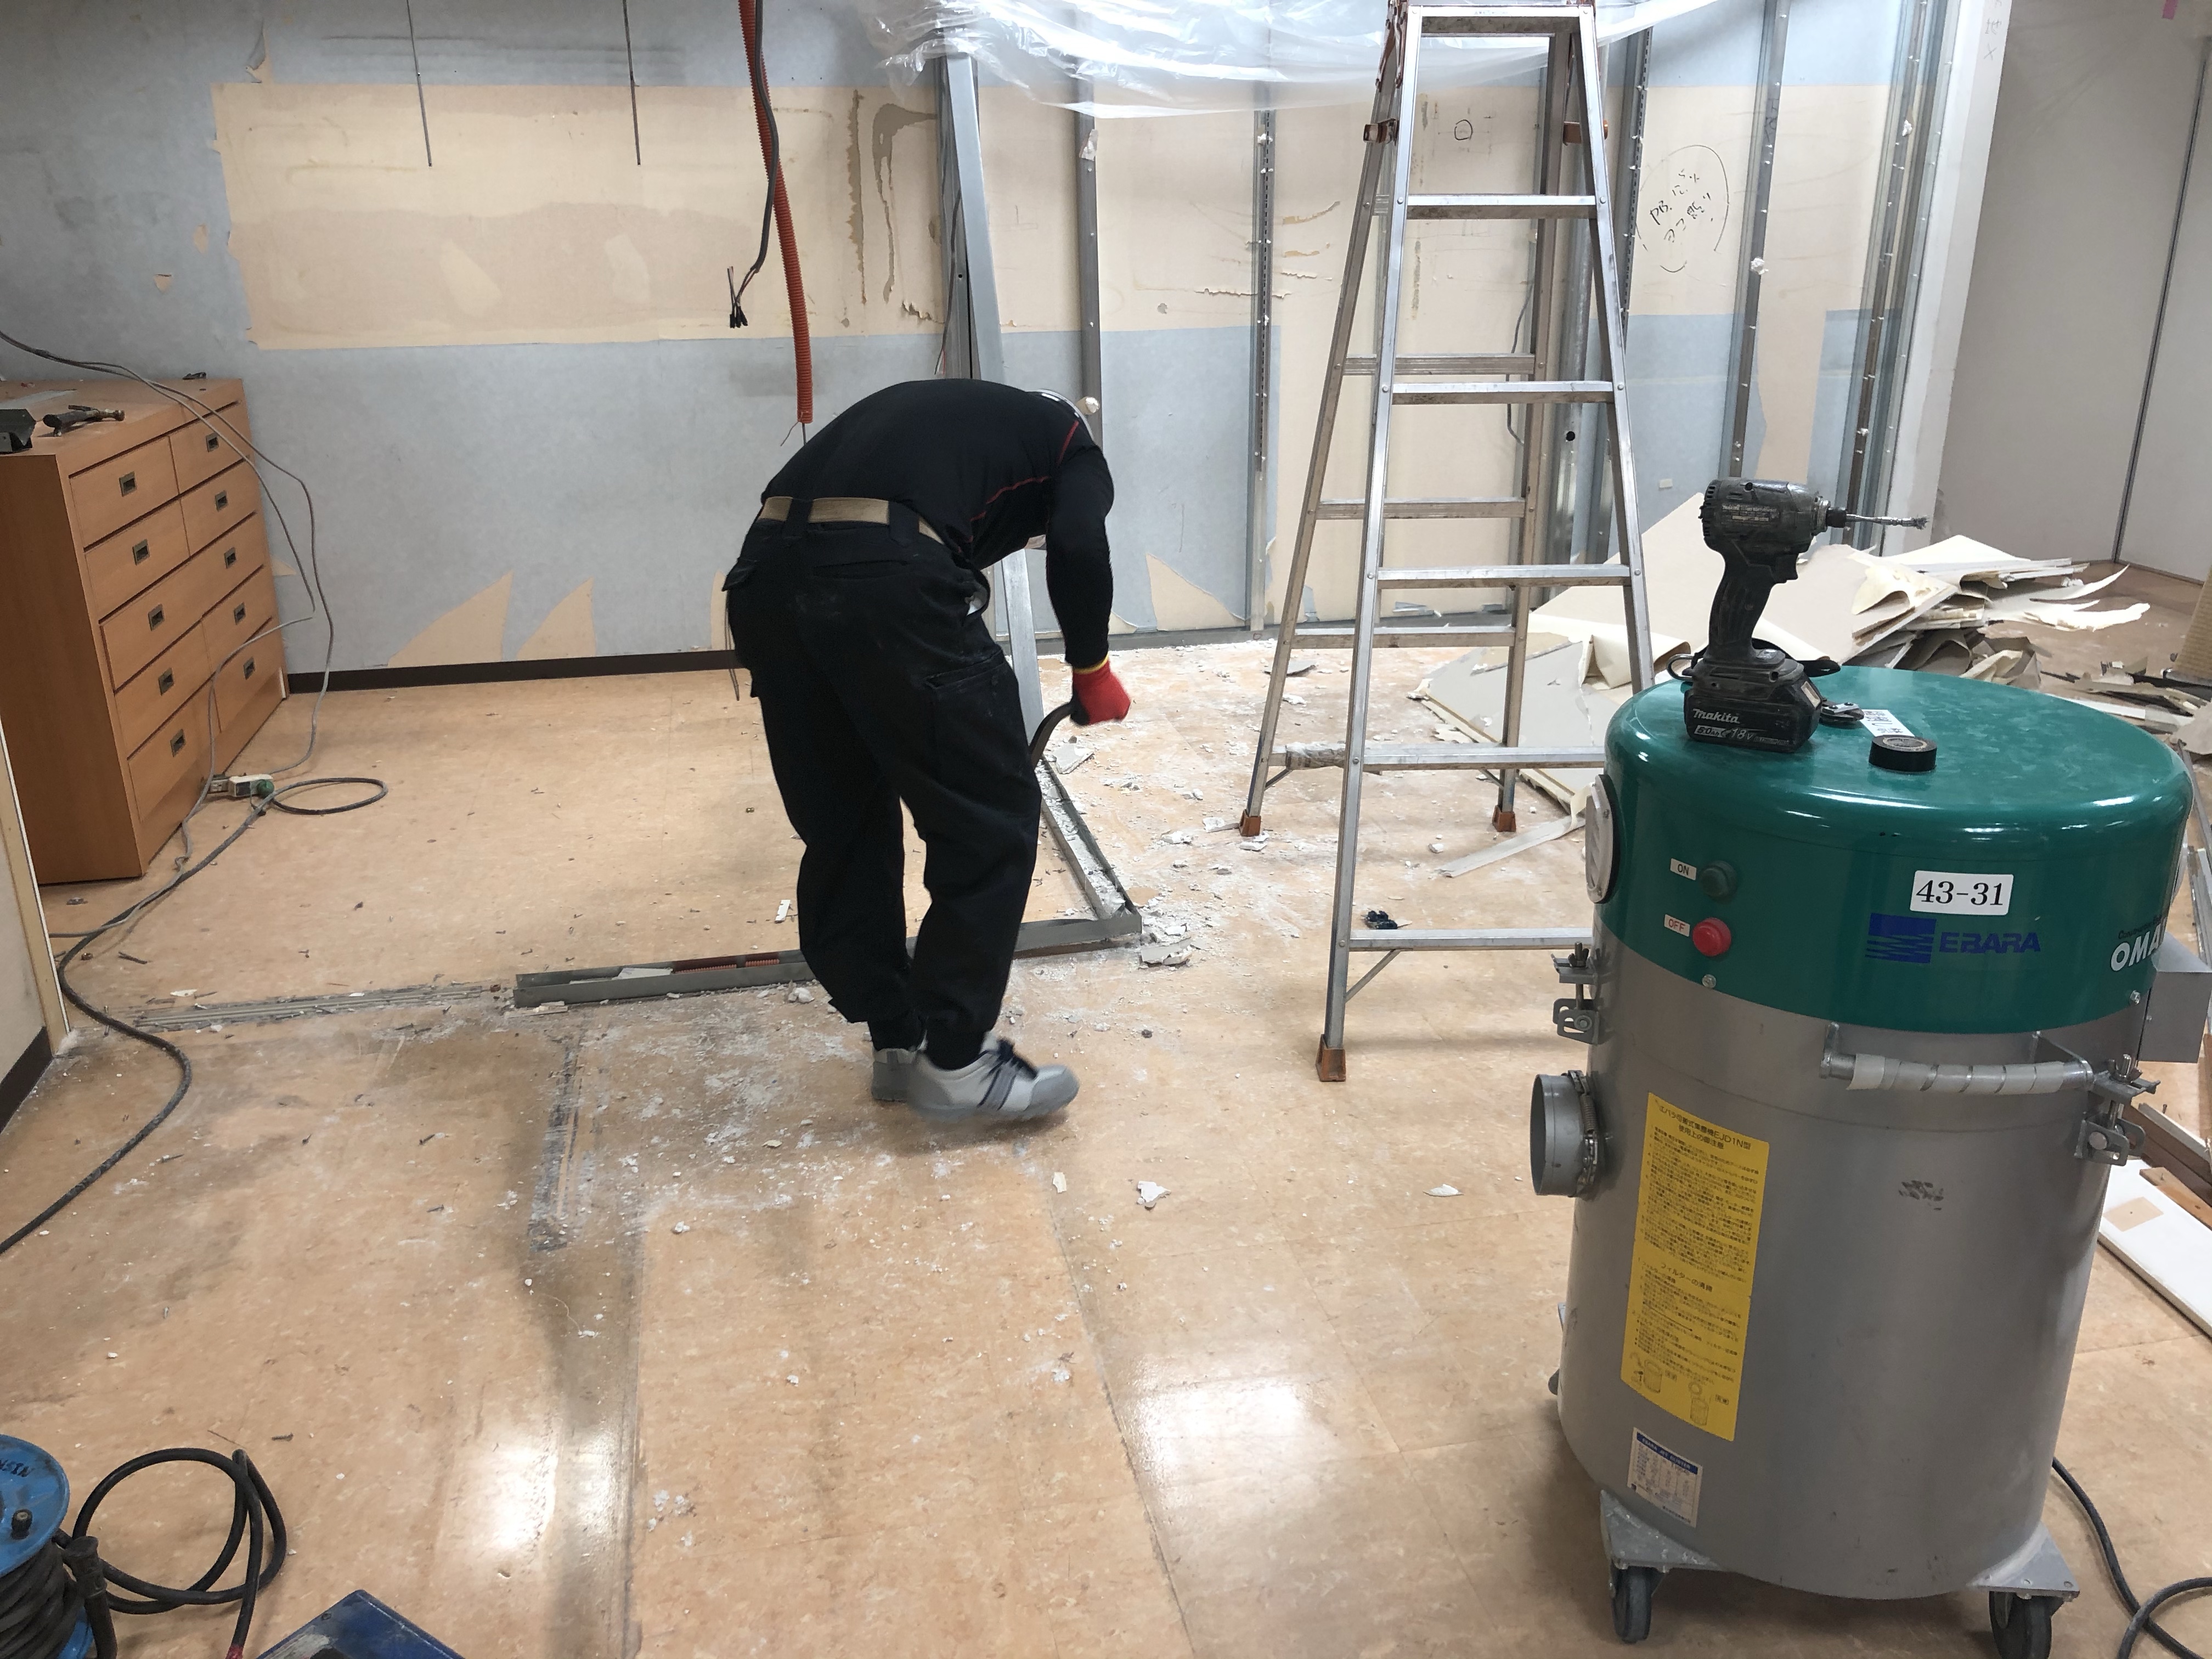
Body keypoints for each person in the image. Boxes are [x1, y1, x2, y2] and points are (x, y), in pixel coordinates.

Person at [723, 379, 1130, 1122]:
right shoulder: (1074, 446)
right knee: (988, 818)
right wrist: (1092, 666)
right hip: (885, 577)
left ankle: (897, 1039)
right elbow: (1077, 540)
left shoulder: (951, 420)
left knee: (845, 819)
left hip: (765, 582)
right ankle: (957, 1064)